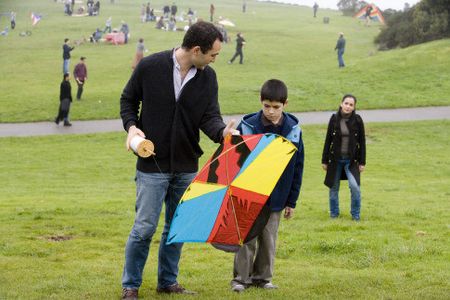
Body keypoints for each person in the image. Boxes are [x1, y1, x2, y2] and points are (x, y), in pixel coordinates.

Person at [119, 21, 238, 299]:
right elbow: (128, 100)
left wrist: (223, 132)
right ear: (197, 50)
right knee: (144, 227)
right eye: (213, 54)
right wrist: (131, 126)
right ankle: (130, 286)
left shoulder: (208, 78)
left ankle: (167, 282)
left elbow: (209, 117)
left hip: (186, 166)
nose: (214, 60)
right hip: (151, 165)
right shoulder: (150, 66)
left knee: (177, 227)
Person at [230, 79, 304, 292]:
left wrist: (292, 200)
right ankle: (240, 279)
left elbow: (297, 167)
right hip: (249, 193)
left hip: (277, 196)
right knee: (246, 237)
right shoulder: (248, 126)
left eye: (276, 107)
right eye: (267, 106)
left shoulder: (293, 130)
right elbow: (236, 160)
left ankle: (263, 278)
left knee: (268, 238)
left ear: (285, 104)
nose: (271, 111)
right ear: (261, 102)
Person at [321, 94, 366, 221]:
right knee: (333, 188)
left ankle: (355, 215)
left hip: (351, 161)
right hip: (335, 160)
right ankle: (334, 215)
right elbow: (328, 140)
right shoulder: (334, 119)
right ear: (341, 104)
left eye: (351, 105)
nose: (348, 106)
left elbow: (362, 142)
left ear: (354, 107)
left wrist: (362, 162)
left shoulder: (357, 120)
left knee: (355, 187)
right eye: (346, 103)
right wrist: (324, 160)